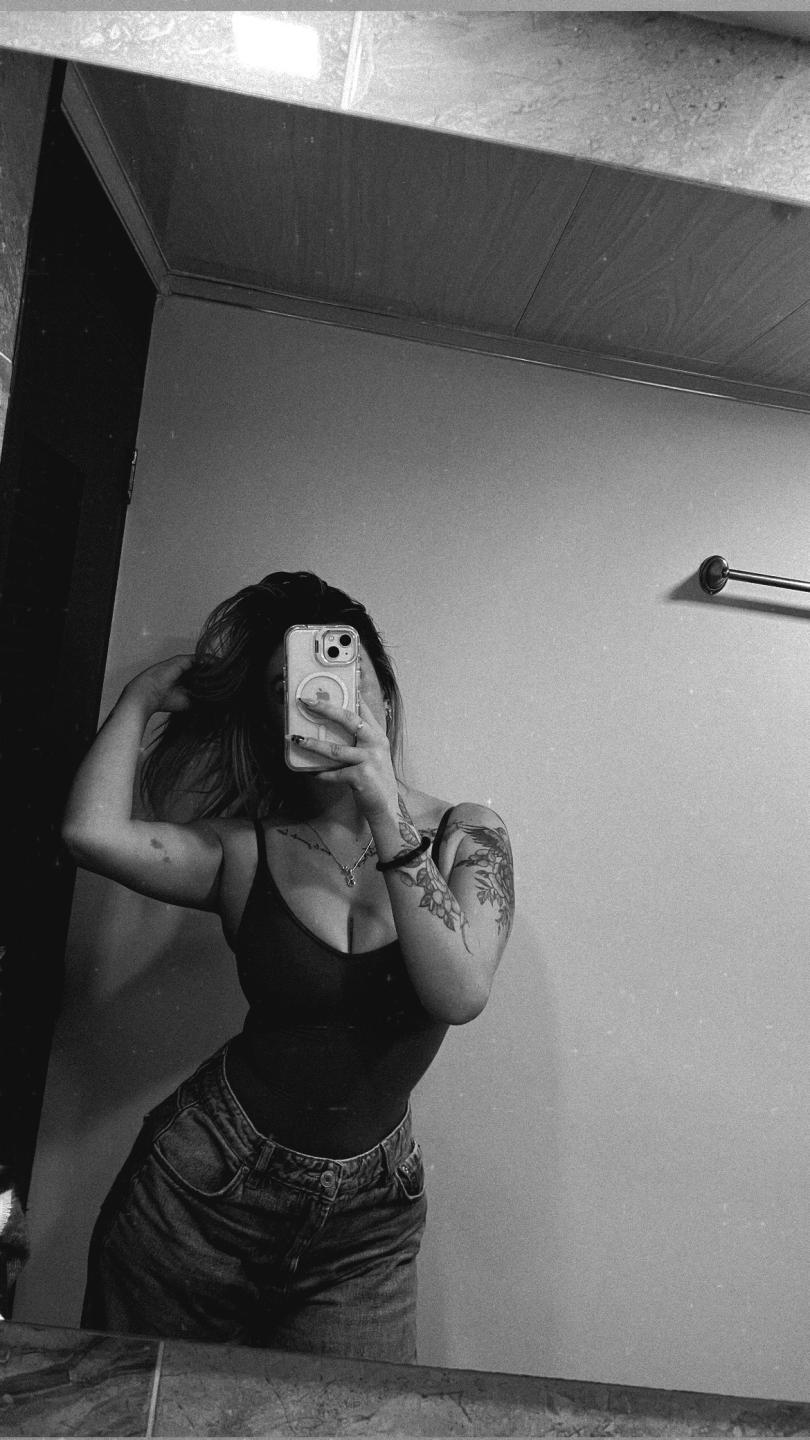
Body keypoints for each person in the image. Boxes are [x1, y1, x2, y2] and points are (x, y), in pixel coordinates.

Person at [62, 570, 514, 1362]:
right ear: (274, 721)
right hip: (200, 1190)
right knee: (141, 1405)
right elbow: (91, 835)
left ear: (385, 699)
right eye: (290, 689)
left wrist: (382, 803)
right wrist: (141, 698)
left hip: (366, 1231)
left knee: (348, 1416)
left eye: (345, 674)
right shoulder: (245, 848)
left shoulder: (469, 835)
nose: (323, 699)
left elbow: (461, 991)